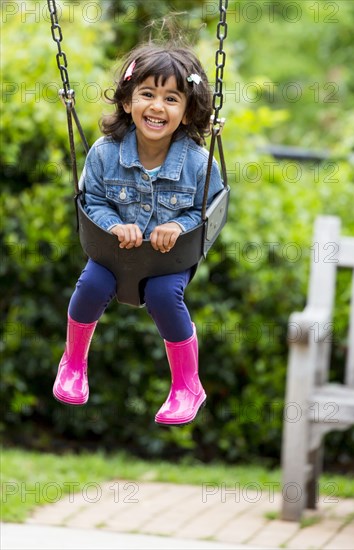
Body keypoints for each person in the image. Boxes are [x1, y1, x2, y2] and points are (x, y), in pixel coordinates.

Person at [53, 41, 224, 426]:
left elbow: (210, 209)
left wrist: (178, 226)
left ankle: (187, 385)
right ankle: (74, 363)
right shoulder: (104, 153)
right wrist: (114, 224)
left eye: (171, 98)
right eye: (147, 93)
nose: (158, 106)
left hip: (169, 261)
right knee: (91, 283)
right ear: (128, 102)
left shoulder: (199, 163)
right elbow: (92, 199)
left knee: (165, 295)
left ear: (186, 111)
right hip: (113, 254)